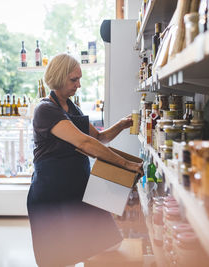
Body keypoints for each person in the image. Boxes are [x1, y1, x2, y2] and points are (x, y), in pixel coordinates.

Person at [27, 53, 144, 267]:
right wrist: (126, 164)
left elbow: (98, 138)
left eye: (79, 79)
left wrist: (121, 124)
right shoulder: (45, 109)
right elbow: (85, 144)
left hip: (77, 191)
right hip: (52, 196)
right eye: (74, 79)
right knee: (59, 258)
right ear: (60, 77)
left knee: (107, 243)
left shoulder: (72, 108)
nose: (79, 85)